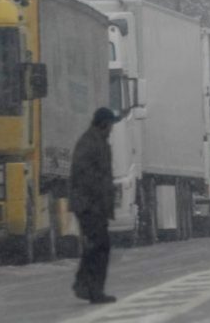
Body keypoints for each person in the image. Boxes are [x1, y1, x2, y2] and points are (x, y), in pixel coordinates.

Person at [69, 107, 118, 304]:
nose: (112, 129)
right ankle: (92, 289)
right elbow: (84, 174)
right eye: (111, 124)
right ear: (104, 123)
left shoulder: (98, 142)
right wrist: (95, 198)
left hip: (95, 204)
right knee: (99, 246)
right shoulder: (90, 142)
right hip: (90, 205)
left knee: (96, 246)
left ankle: (85, 285)